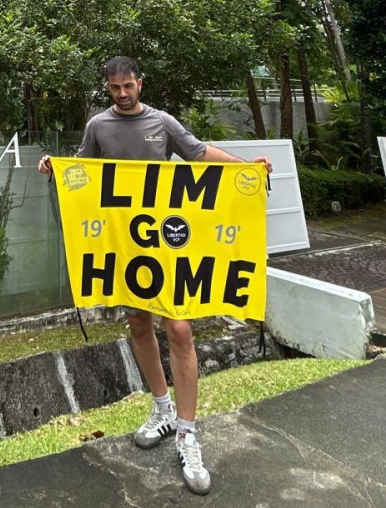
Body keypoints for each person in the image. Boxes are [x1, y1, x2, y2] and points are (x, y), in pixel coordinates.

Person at [38, 56, 273, 496]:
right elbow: (84, 175)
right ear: (107, 88)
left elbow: (199, 153)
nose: (123, 95)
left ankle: (187, 433)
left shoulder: (161, 121)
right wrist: (57, 168)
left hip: (168, 245)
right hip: (128, 248)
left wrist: (247, 168)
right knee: (139, 324)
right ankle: (162, 409)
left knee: (179, 329)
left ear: (140, 84)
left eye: (129, 86)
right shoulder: (98, 127)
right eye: (115, 89)